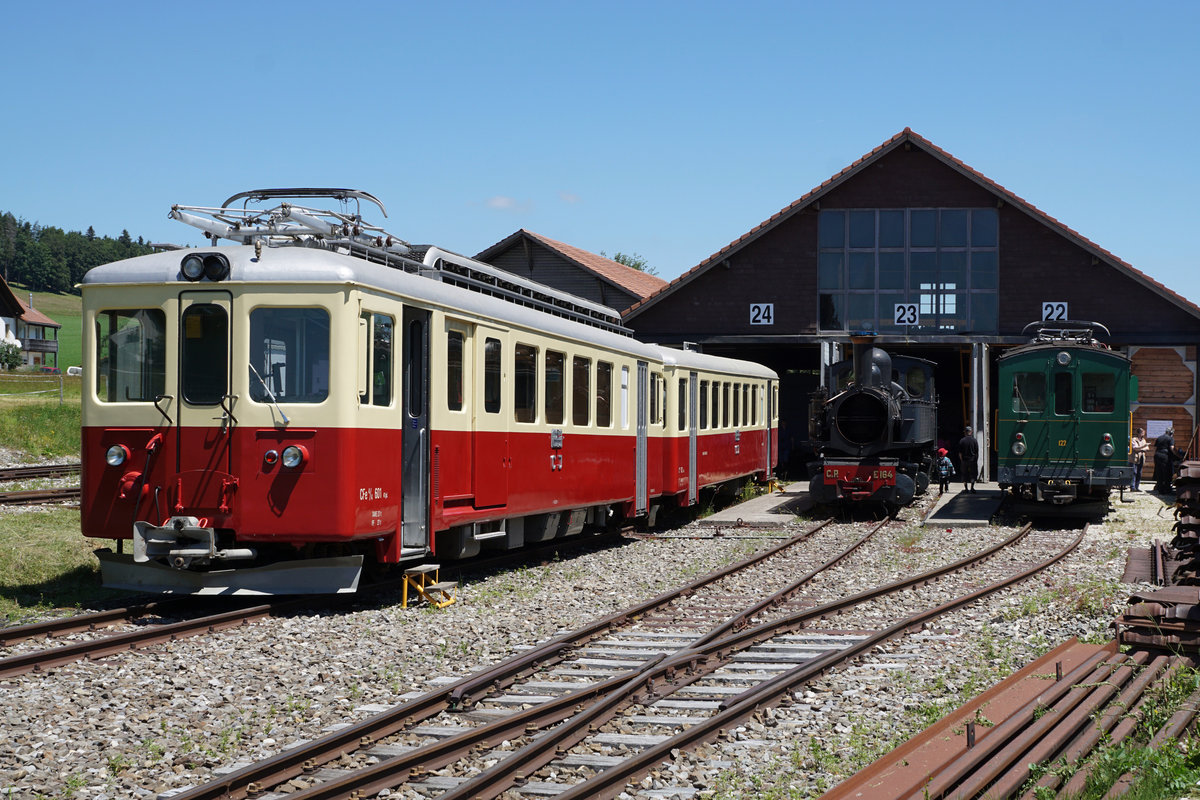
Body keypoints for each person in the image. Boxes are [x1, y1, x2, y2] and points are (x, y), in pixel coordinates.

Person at [1153, 428, 1185, 494]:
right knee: (1167, 472)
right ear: (1171, 433)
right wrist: (1179, 456)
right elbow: (1172, 448)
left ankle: (1160, 489)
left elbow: (1155, 448)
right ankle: (1167, 489)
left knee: (1159, 472)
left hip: (1157, 455)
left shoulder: (1159, 437)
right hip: (1165, 456)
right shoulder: (1170, 439)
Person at [958, 426, 980, 493]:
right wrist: (975, 459)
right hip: (972, 460)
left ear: (965, 432)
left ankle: (966, 489)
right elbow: (977, 452)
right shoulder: (974, 440)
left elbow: (960, 453)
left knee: (964, 474)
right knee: (973, 474)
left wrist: (962, 460)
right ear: (971, 432)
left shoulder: (962, 440)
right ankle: (972, 488)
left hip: (964, 460)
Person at [1129, 427, 1149, 492]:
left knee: (1139, 473)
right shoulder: (1134, 439)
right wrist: (1143, 448)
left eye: (1144, 433)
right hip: (1134, 458)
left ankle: (1137, 487)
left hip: (1141, 458)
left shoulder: (1143, 440)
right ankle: (1132, 487)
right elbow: (1135, 448)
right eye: (1142, 433)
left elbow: (1147, 448)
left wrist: (1141, 448)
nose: (1143, 434)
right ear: (1138, 433)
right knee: (1134, 472)